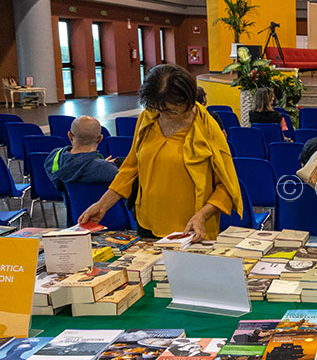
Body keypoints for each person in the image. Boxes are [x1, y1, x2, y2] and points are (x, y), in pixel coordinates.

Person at [78, 64, 241, 240]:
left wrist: (202, 215)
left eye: (171, 110)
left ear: (188, 100)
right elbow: (130, 169)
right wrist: (102, 205)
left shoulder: (208, 128)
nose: (164, 115)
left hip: (190, 230)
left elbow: (226, 185)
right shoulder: (147, 119)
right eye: (159, 109)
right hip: (147, 225)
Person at [44, 116, 119, 191]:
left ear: (69, 135)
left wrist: (100, 163)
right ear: (100, 139)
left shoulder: (55, 156)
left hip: (69, 202)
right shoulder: (106, 170)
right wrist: (102, 164)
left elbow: (77, 166)